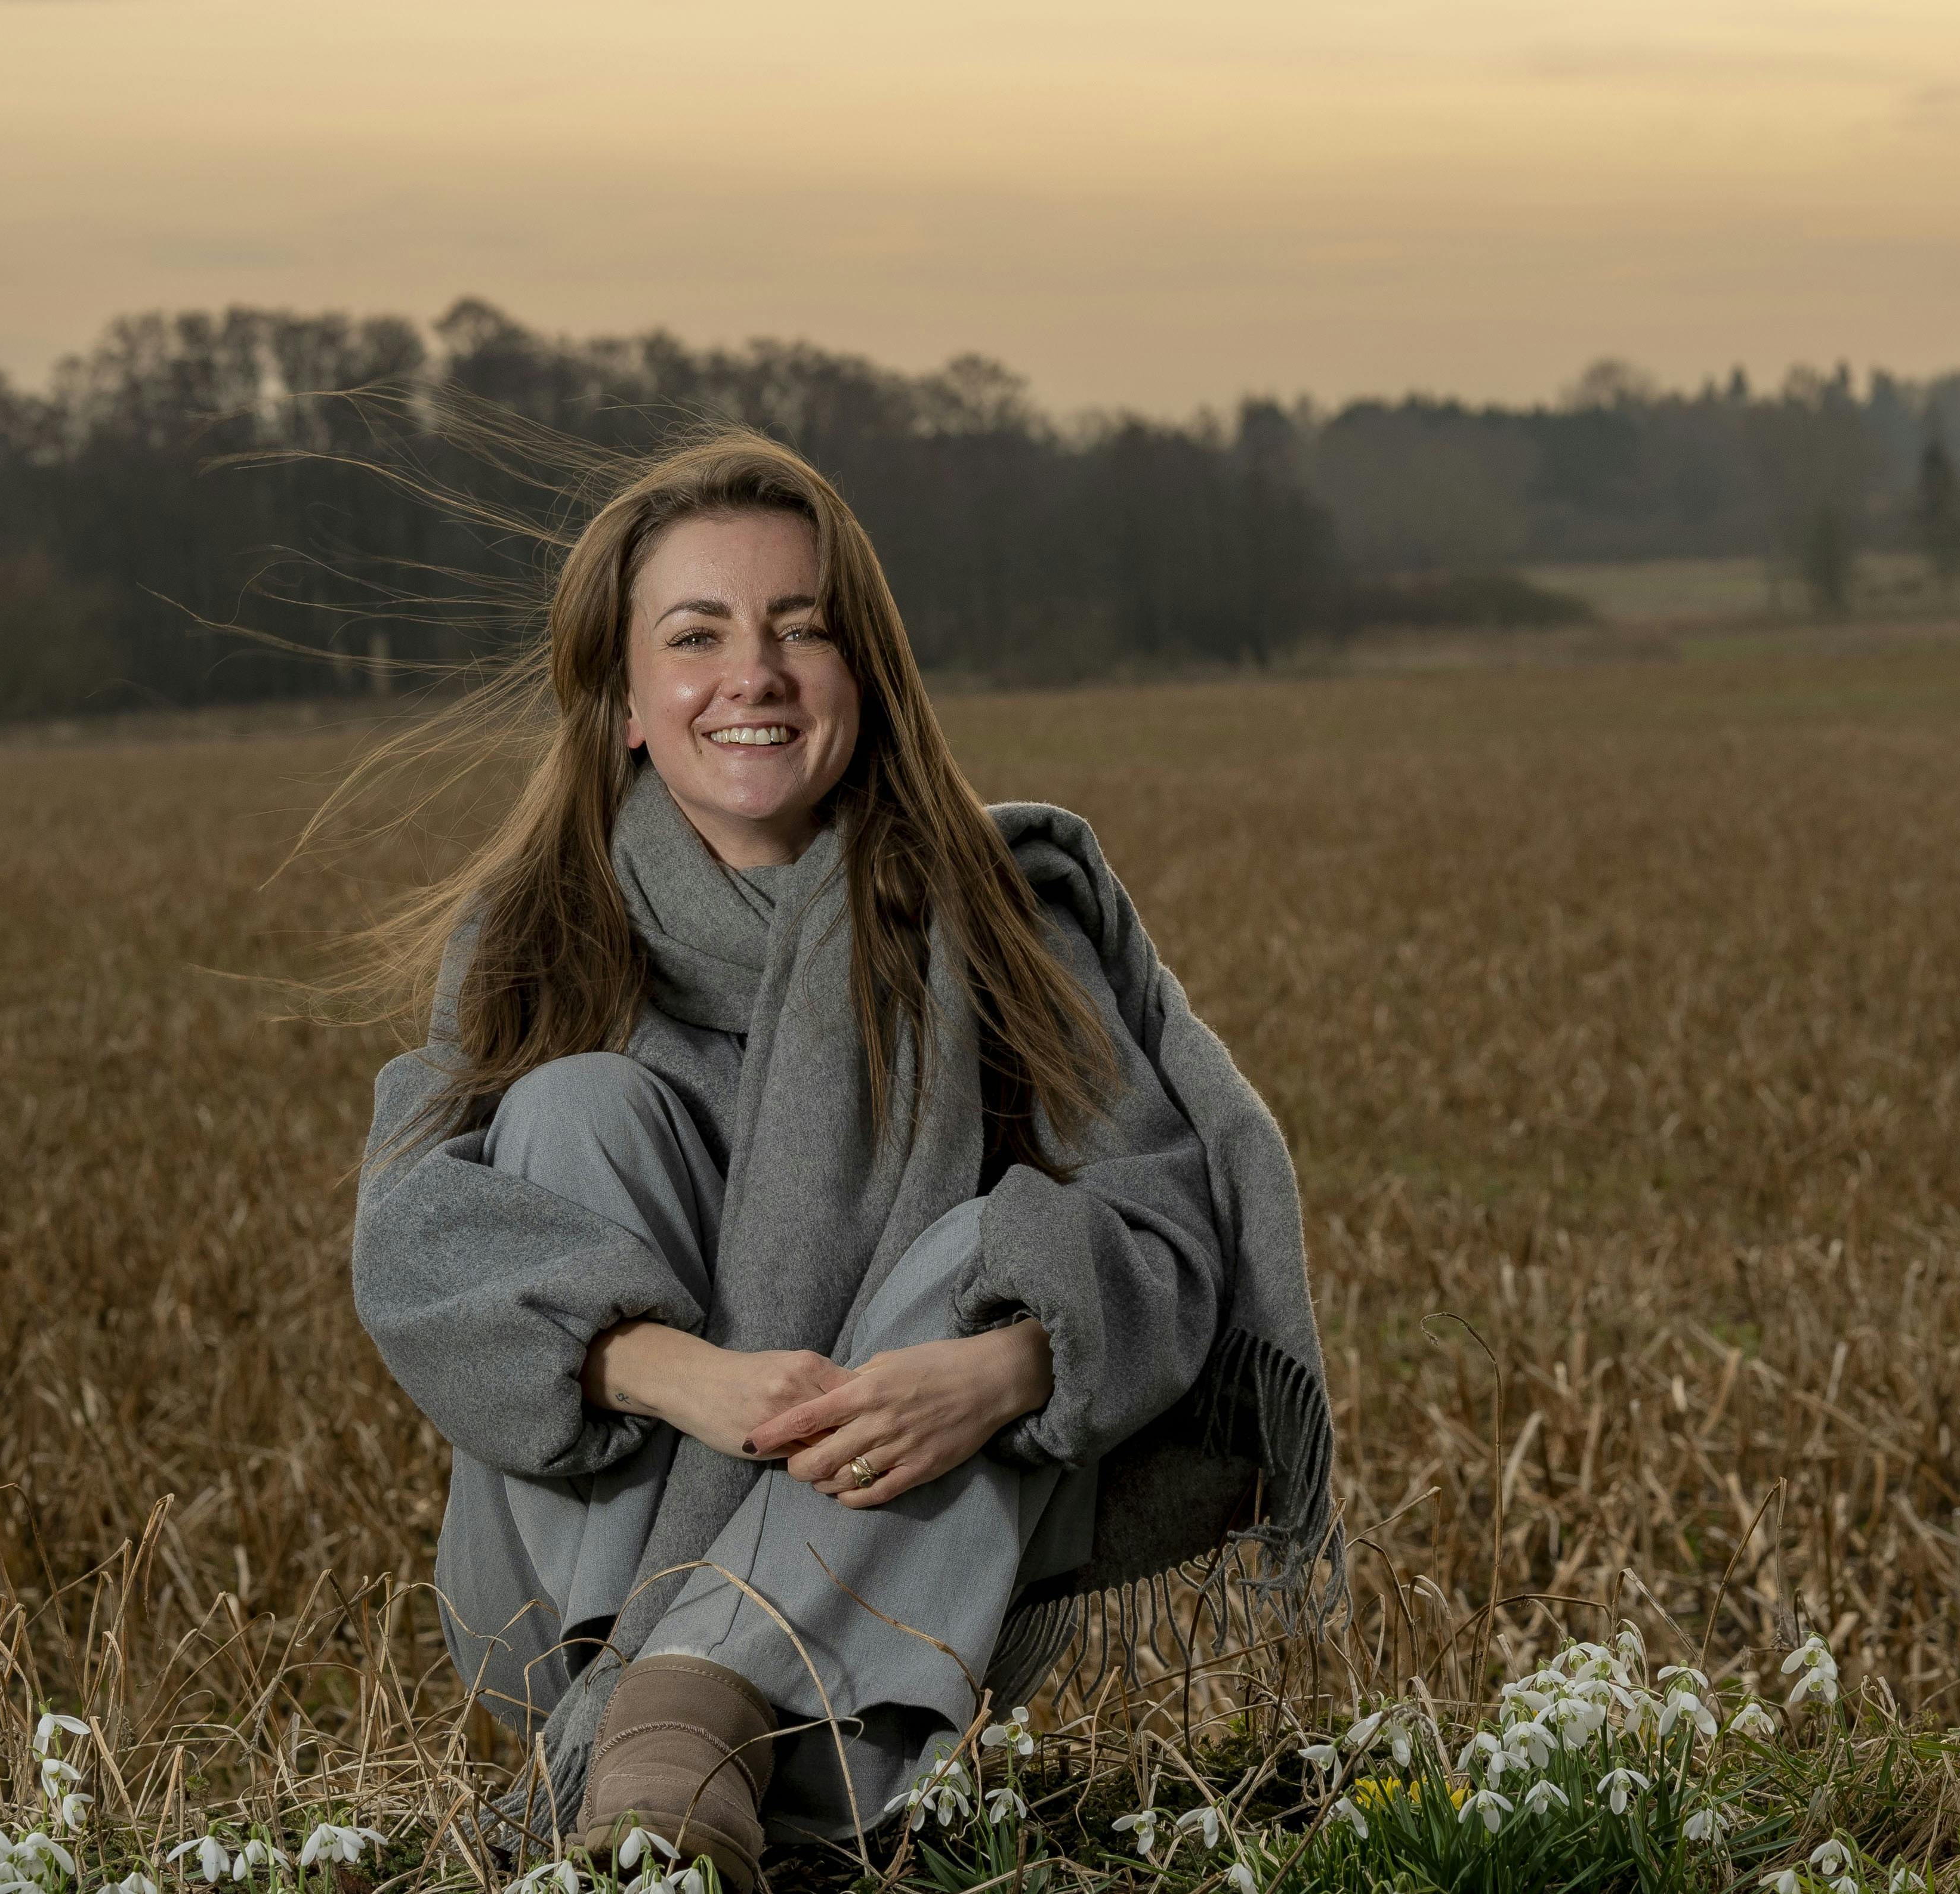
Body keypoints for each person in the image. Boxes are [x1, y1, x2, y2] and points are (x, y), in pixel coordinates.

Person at [344, 432, 1332, 1892]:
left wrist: (1005, 1371)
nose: (754, 673)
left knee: (985, 1244)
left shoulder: (998, 920)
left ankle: (669, 1760)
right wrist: (673, 1368)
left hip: (917, 1551)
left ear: (863, 674)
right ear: (625, 702)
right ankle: (675, 1728)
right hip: (567, 1587)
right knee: (571, 1114)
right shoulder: (532, 938)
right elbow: (413, 1236)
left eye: (800, 627)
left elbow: (1164, 1224)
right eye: (697, 635)